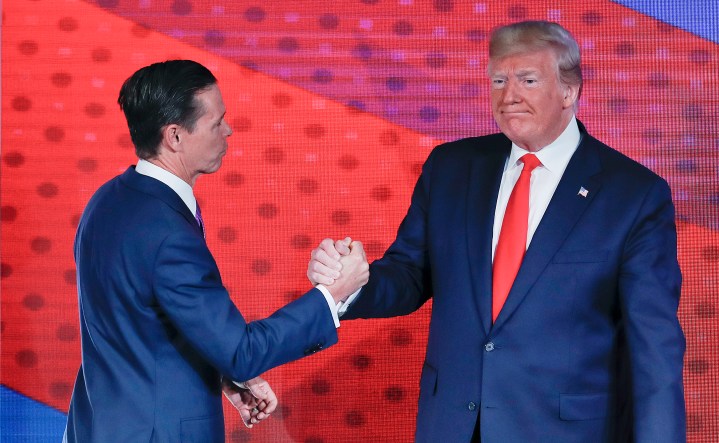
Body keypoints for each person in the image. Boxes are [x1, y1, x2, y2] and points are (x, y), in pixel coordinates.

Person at [309, 21, 685, 442]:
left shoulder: (632, 194)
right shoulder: (450, 168)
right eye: (499, 80)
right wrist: (353, 285)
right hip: (452, 426)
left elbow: (654, 348)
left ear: (569, 91)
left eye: (527, 80)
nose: (509, 96)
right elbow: (410, 273)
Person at [63, 60, 368, 442]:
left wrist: (221, 373)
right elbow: (243, 351)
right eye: (216, 122)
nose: (229, 130)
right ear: (174, 136)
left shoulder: (107, 200)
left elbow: (140, 320)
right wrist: (334, 295)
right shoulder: (169, 233)